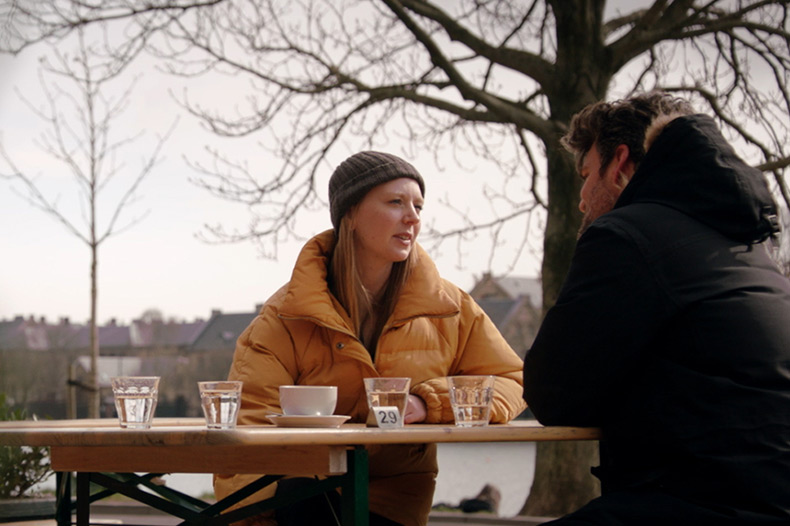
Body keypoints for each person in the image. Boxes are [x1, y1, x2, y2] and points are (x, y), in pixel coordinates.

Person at [214, 150, 527, 526]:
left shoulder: (450, 309)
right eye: (396, 202)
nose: (412, 217)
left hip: (392, 501)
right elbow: (247, 433)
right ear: (351, 214)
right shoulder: (286, 315)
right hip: (302, 496)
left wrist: (429, 403)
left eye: (418, 206)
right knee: (303, 499)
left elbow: (514, 383)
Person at [522, 91, 790, 525]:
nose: (582, 199)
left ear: (620, 163)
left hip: (698, 500)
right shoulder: (750, 245)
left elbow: (552, 394)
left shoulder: (626, 236)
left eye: (586, 174)